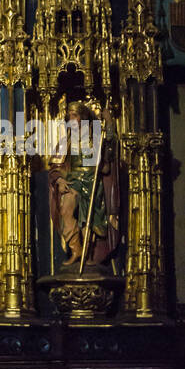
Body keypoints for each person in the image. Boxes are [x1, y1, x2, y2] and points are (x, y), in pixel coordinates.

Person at [48, 102, 120, 268]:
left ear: (83, 118)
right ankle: (76, 249)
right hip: (73, 181)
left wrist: (109, 122)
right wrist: (59, 180)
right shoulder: (66, 142)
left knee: (87, 220)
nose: (71, 120)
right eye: (69, 117)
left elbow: (109, 147)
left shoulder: (95, 138)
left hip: (92, 181)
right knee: (66, 209)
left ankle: (88, 253)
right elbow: (55, 167)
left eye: (74, 116)